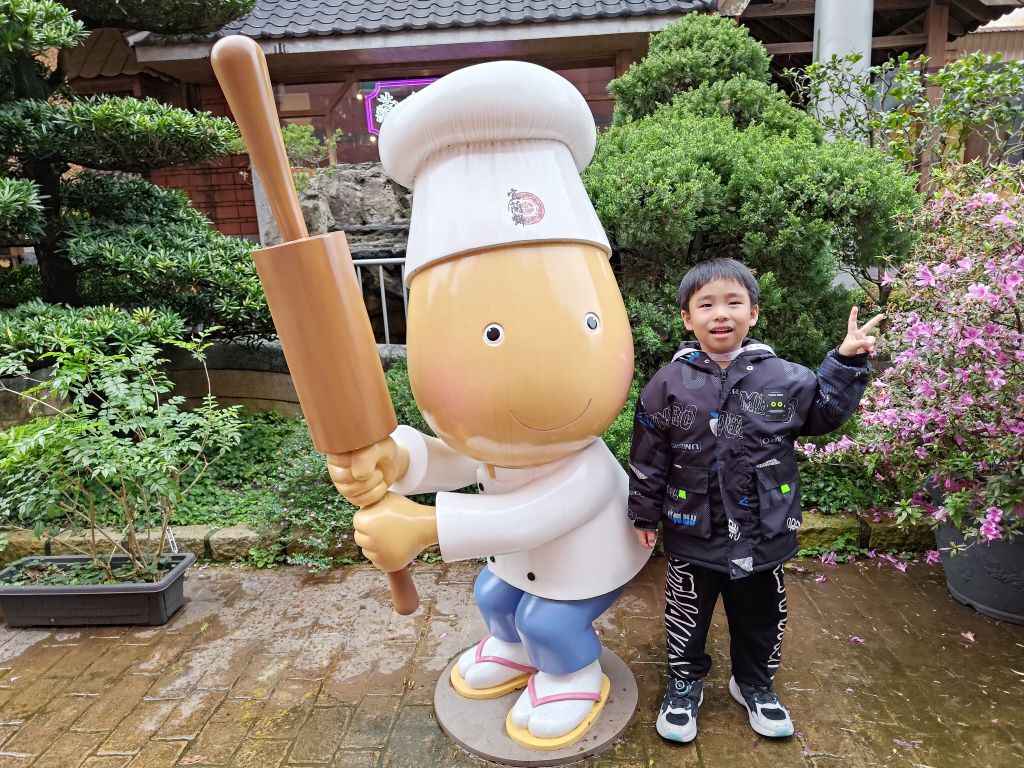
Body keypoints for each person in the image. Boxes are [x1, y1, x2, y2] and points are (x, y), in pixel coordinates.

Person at [627, 258, 881, 743]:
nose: (720, 313)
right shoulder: (668, 383)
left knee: (761, 616)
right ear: (687, 318)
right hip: (693, 528)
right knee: (686, 614)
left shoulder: (784, 377)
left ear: (754, 313)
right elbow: (648, 454)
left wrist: (846, 361)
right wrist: (644, 513)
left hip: (764, 530)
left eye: (733, 302)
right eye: (706, 305)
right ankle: (684, 685)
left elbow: (825, 413)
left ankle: (755, 684)